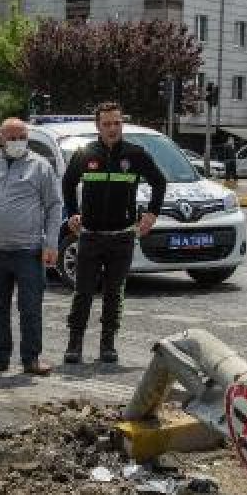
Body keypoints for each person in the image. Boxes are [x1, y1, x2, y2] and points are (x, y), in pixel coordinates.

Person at [62, 102, 166, 365]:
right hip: (91, 236)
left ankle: (108, 343)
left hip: (122, 236)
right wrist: (72, 213)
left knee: (114, 292)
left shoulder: (136, 154)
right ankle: (75, 343)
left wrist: (152, 214)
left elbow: (159, 182)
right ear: (98, 126)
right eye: (106, 124)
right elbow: (67, 182)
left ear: (122, 124)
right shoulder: (85, 153)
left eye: (117, 123)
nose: (112, 128)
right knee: (83, 291)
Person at [0, 118, 63, 376]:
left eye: (22, 136)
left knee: (30, 307)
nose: (18, 142)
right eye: (12, 137)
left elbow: (54, 206)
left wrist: (51, 244)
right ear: (1, 140)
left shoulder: (40, 167)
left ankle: (31, 359)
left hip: (28, 251)